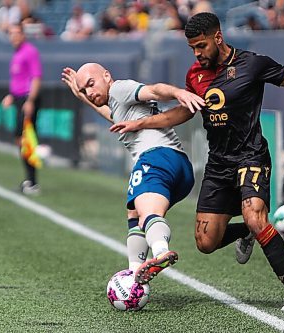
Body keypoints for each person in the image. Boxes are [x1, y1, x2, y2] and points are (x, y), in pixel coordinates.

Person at [110, 12, 284, 311]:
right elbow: (183, 112)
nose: (197, 53)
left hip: (250, 155)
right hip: (218, 164)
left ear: (218, 37)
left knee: (255, 215)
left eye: (201, 46)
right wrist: (142, 124)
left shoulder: (252, 64)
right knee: (206, 242)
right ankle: (245, 232)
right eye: (192, 48)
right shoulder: (195, 75)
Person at [61, 63, 205, 284]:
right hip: (179, 168)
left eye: (91, 84)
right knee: (135, 216)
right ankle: (134, 273)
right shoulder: (118, 104)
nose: (89, 93)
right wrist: (82, 96)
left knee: (146, 214)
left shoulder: (120, 89)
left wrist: (178, 93)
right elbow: (108, 113)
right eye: (84, 91)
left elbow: (154, 90)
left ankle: (160, 252)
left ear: (107, 76)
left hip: (157, 158)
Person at [1, 24, 42, 195]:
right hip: (19, 98)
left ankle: (32, 181)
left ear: (23, 35)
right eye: (11, 34)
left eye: (17, 33)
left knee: (26, 139)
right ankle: (29, 178)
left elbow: (35, 78)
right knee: (20, 139)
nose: (14, 37)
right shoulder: (17, 53)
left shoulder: (30, 51)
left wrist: (30, 100)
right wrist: (12, 96)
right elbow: (19, 79)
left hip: (27, 99)